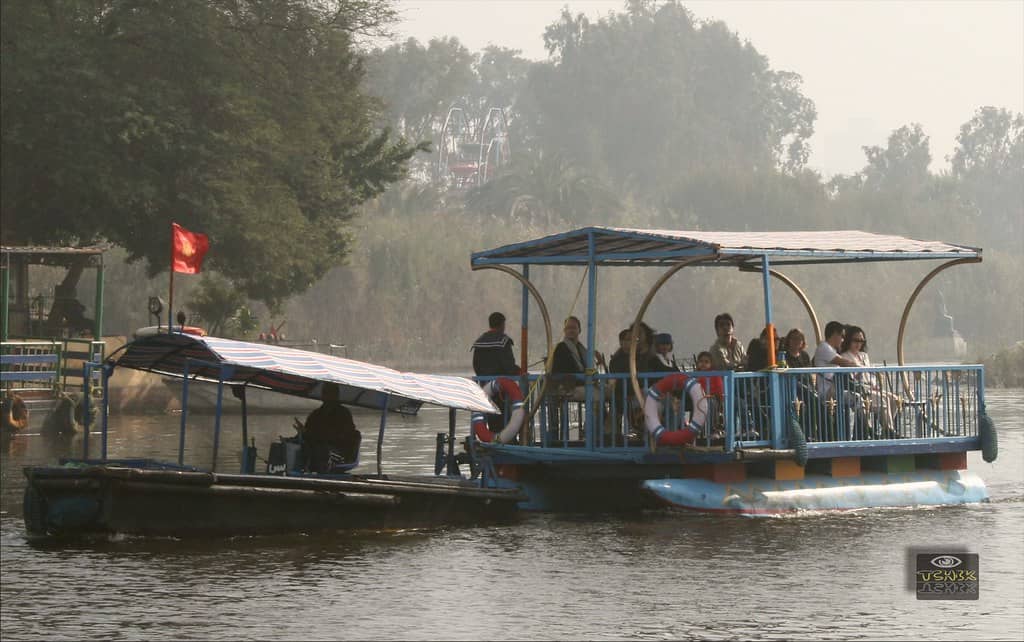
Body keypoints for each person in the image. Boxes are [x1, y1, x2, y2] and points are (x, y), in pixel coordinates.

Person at [839, 325, 895, 435]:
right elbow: (851, 378)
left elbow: (870, 375)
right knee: (883, 400)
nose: (858, 344)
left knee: (893, 399)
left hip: (869, 386)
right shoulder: (844, 356)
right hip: (859, 388)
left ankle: (886, 428)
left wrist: (874, 382)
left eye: (861, 341)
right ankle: (889, 430)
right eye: (855, 340)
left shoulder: (864, 355)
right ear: (849, 340)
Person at [299, 382, 361, 473]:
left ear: (336, 395)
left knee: (322, 451)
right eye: (324, 392)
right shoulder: (315, 414)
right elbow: (309, 433)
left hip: (338, 452)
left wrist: (319, 436)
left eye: (330, 392)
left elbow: (346, 437)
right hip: (316, 449)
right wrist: (302, 432)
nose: (326, 395)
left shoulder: (344, 413)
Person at [812, 321, 857, 399]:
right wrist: (859, 367)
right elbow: (843, 362)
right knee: (856, 397)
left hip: (834, 388)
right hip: (826, 390)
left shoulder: (831, 349)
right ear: (835, 334)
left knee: (857, 393)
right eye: (842, 336)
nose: (843, 340)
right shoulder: (824, 347)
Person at [471, 312, 520, 377]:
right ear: (502, 325)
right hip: (501, 383)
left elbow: (476, 366)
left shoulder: (479, 342)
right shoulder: (504, 341)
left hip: (483, 382)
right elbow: (509, 367)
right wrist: (520, 371)